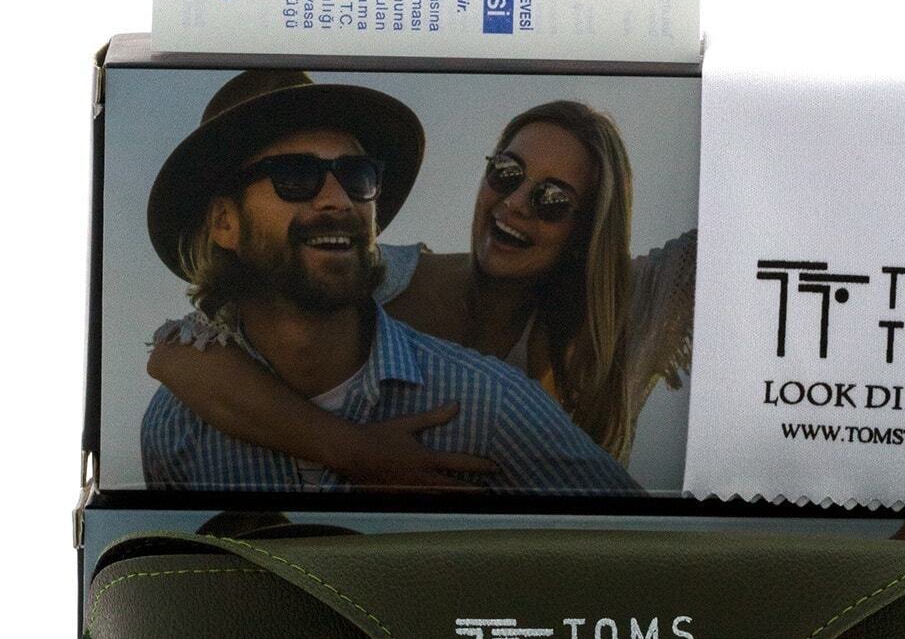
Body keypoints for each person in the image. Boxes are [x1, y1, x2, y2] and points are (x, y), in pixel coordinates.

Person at [148, 80, 695, 485]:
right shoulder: (378, 278)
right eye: (505, 174)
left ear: (587, 229)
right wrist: (356, 451)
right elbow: (180, 354)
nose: (514, 204)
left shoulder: (629, 310)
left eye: (552, 200)